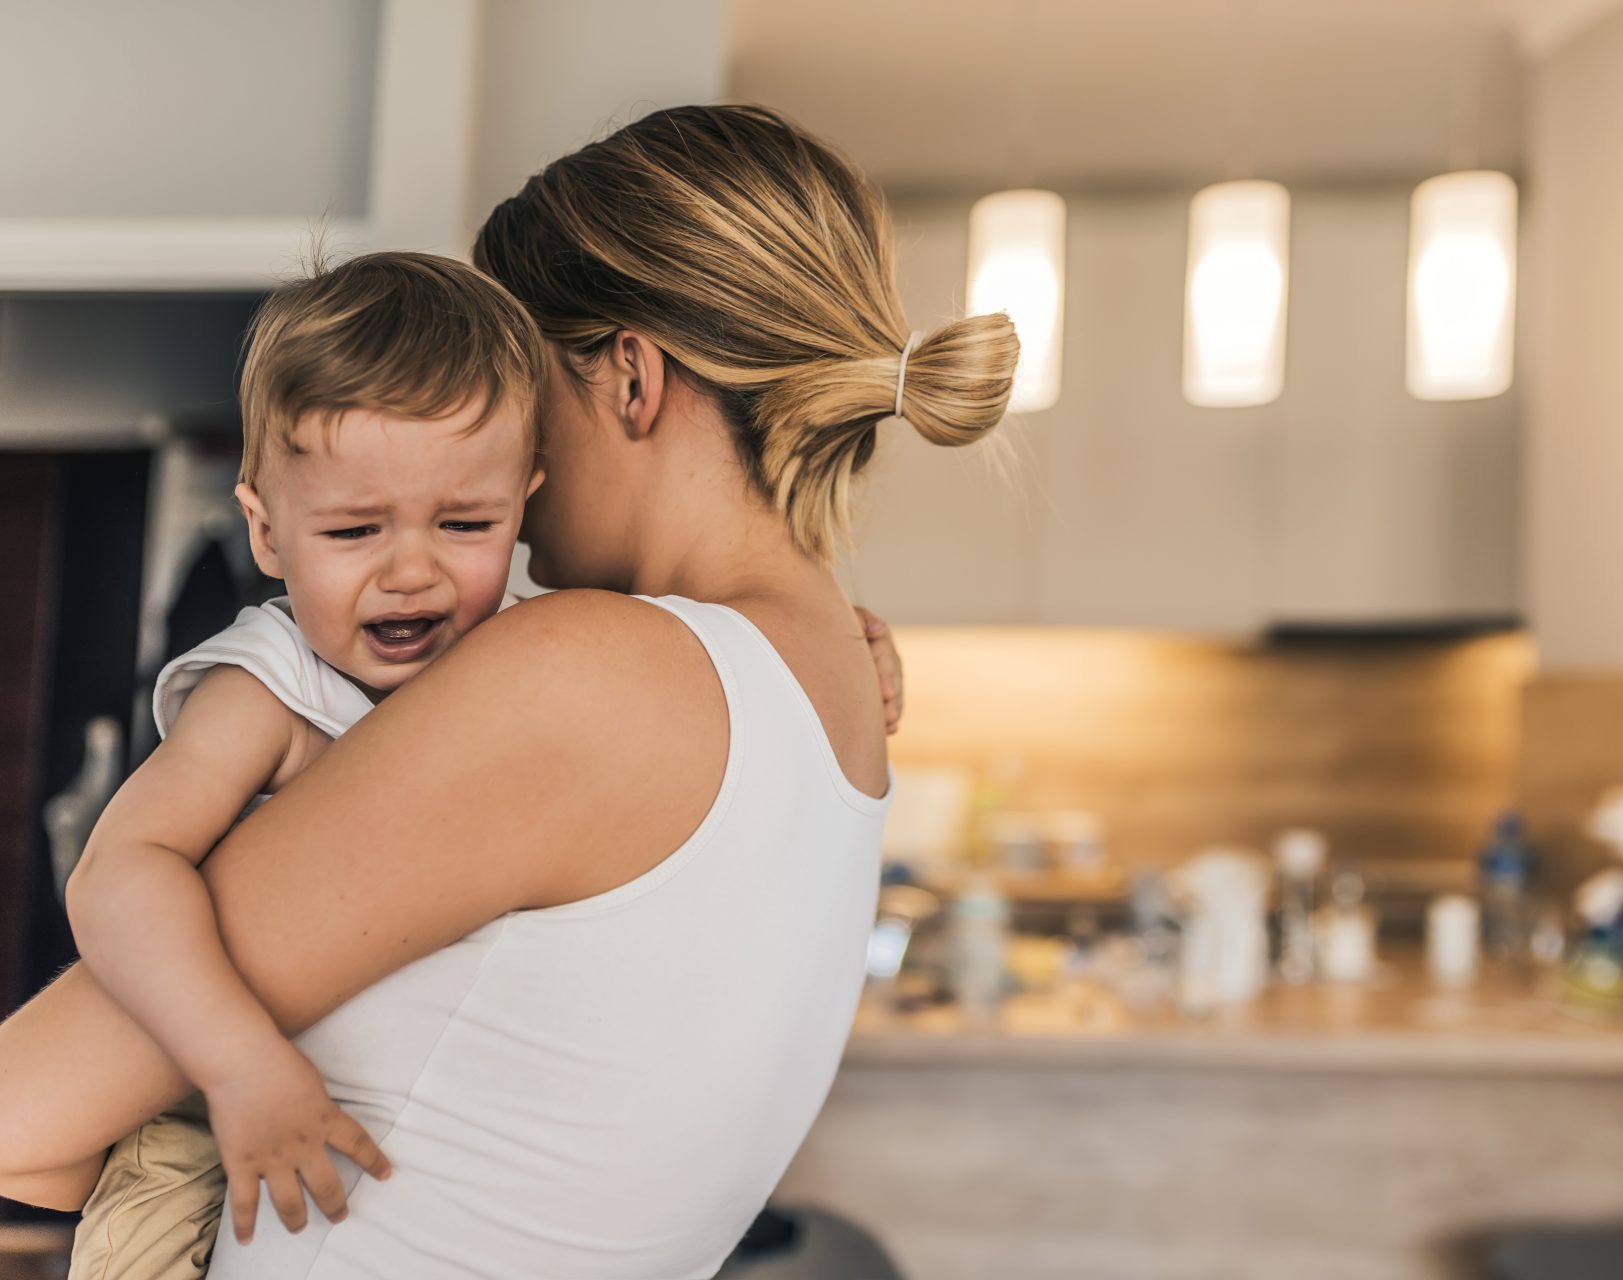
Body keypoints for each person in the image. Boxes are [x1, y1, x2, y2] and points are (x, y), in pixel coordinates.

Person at [0, 102, 1007, 1280]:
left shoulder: (589, 674)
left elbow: (25, 1110)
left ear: (629, 377)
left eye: (519, 390)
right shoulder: (835, 688)